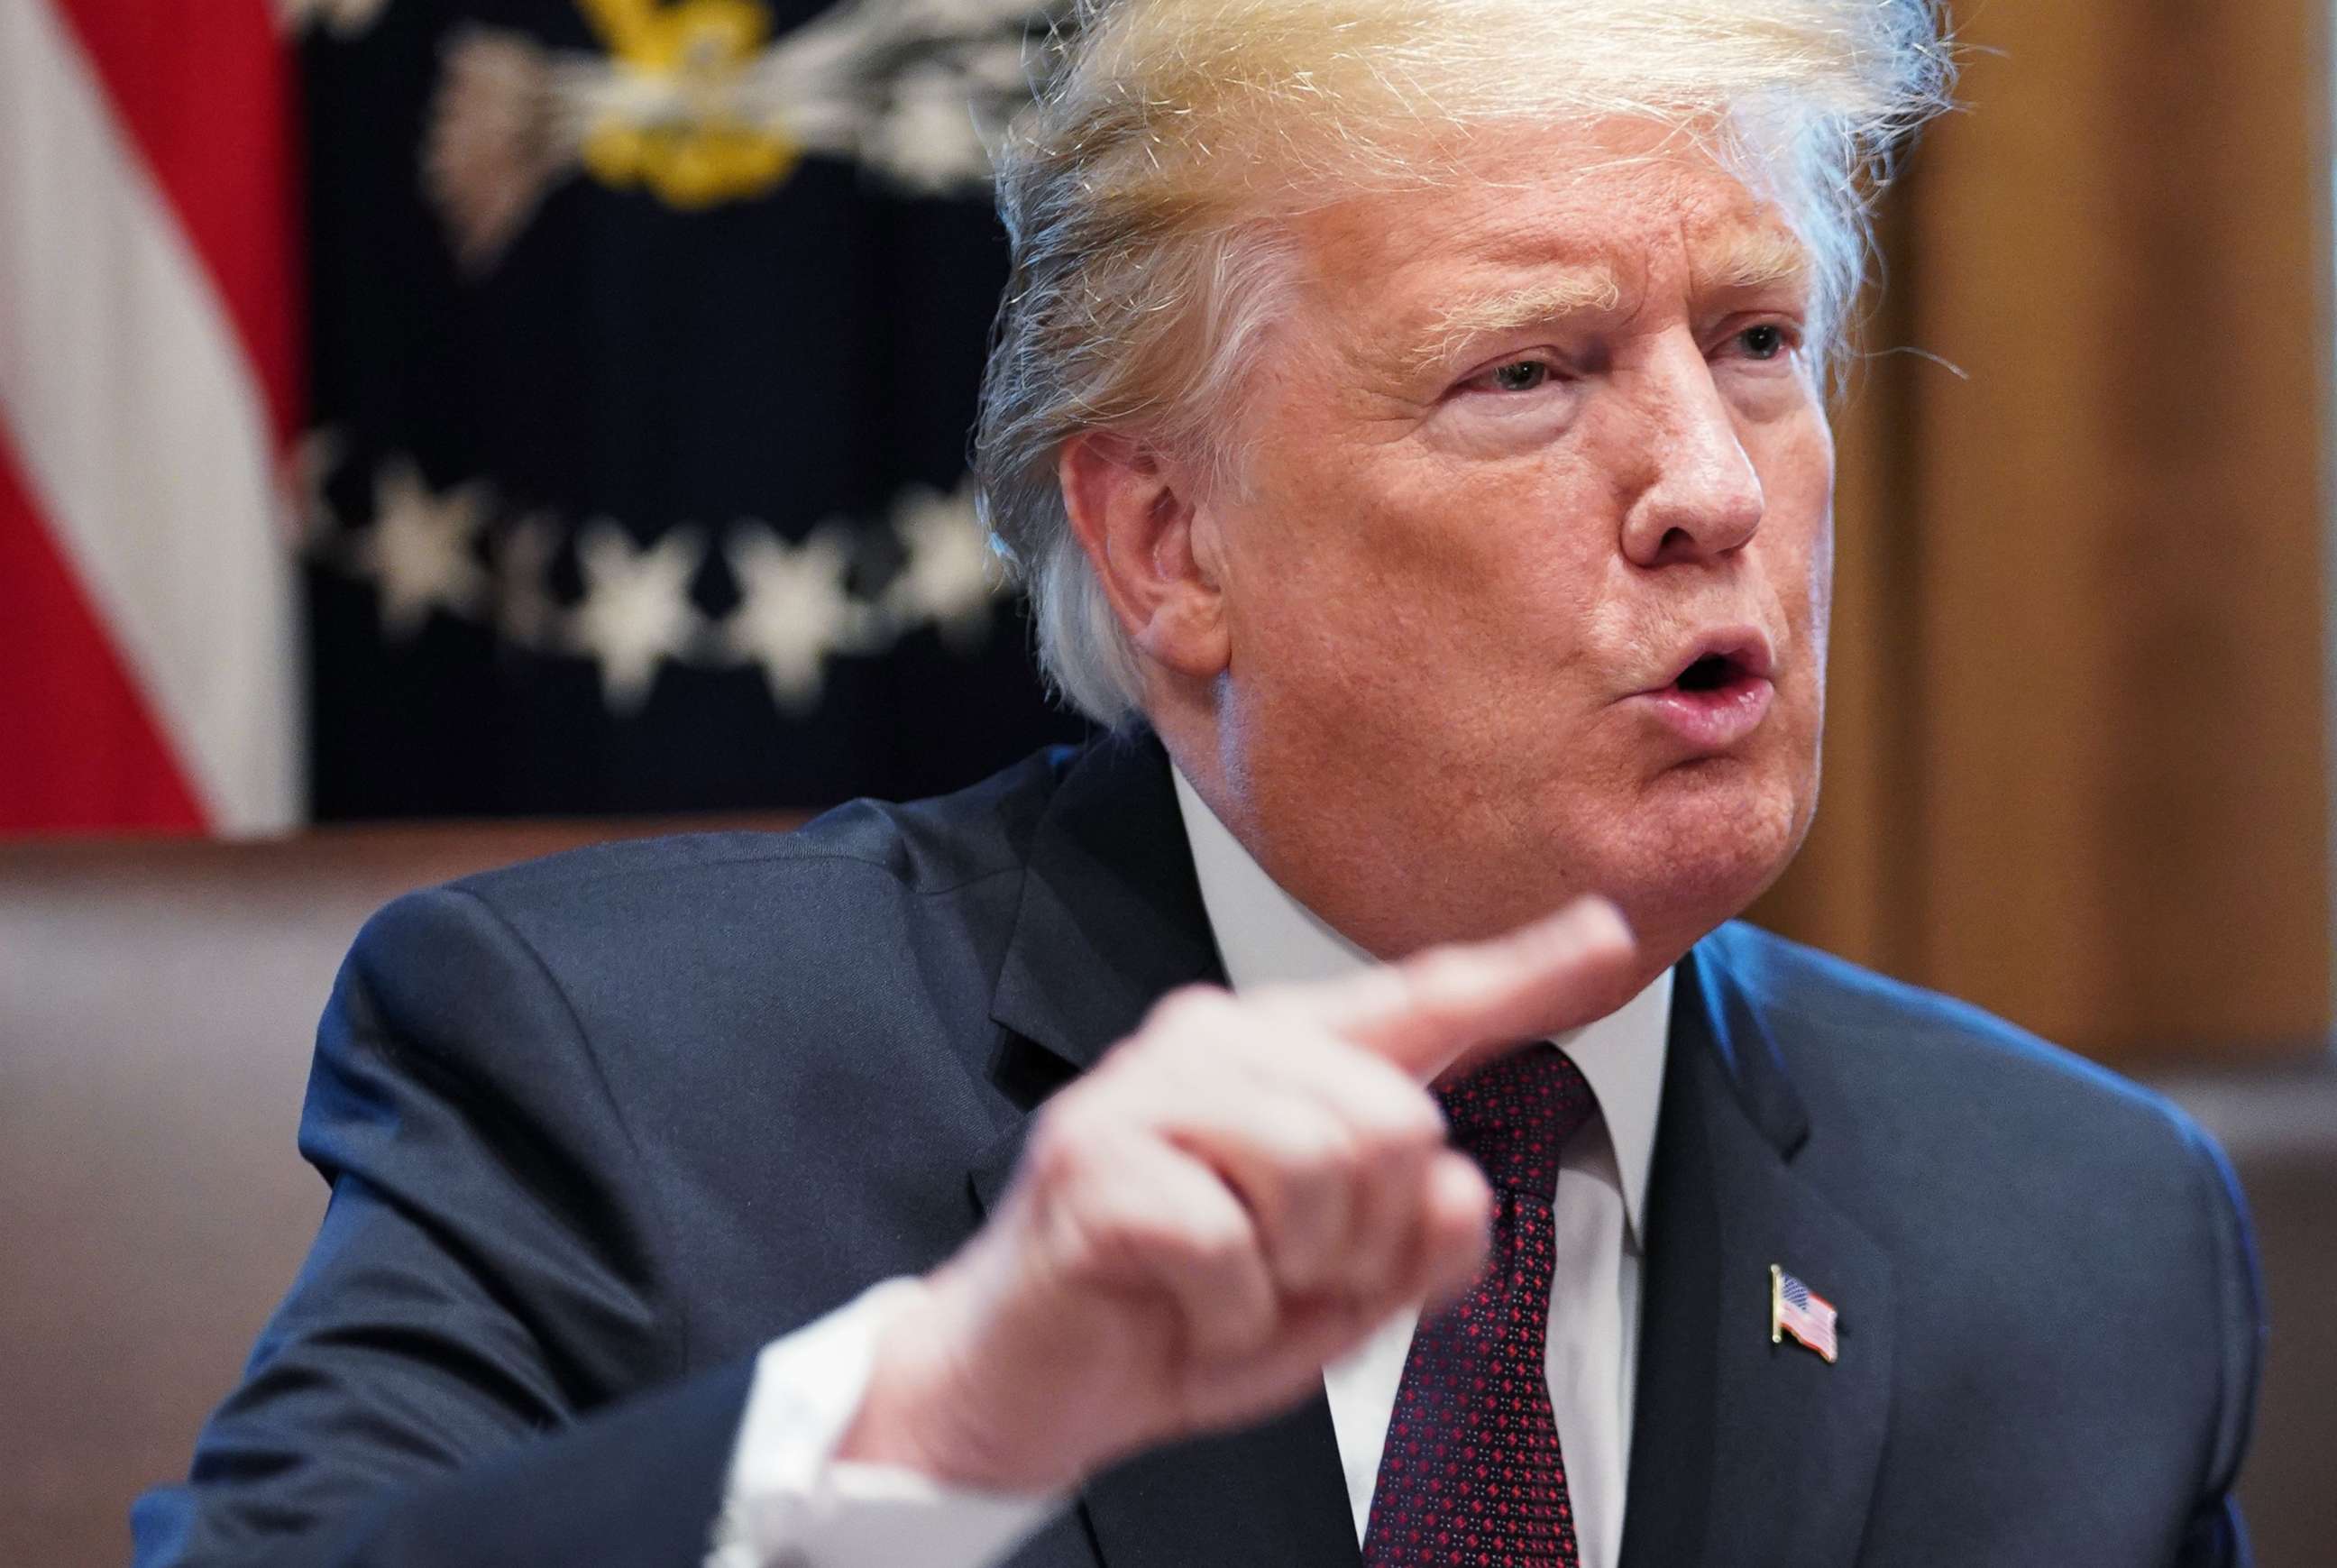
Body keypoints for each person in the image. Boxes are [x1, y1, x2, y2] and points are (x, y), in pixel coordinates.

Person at [134, 0, 2264, 1563]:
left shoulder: (2080, 1238)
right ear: (1172, 544)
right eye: (1527, 373)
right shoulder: (630, 1079)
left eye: (1757, 343)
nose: (1712, 489)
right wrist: (939, 1421)